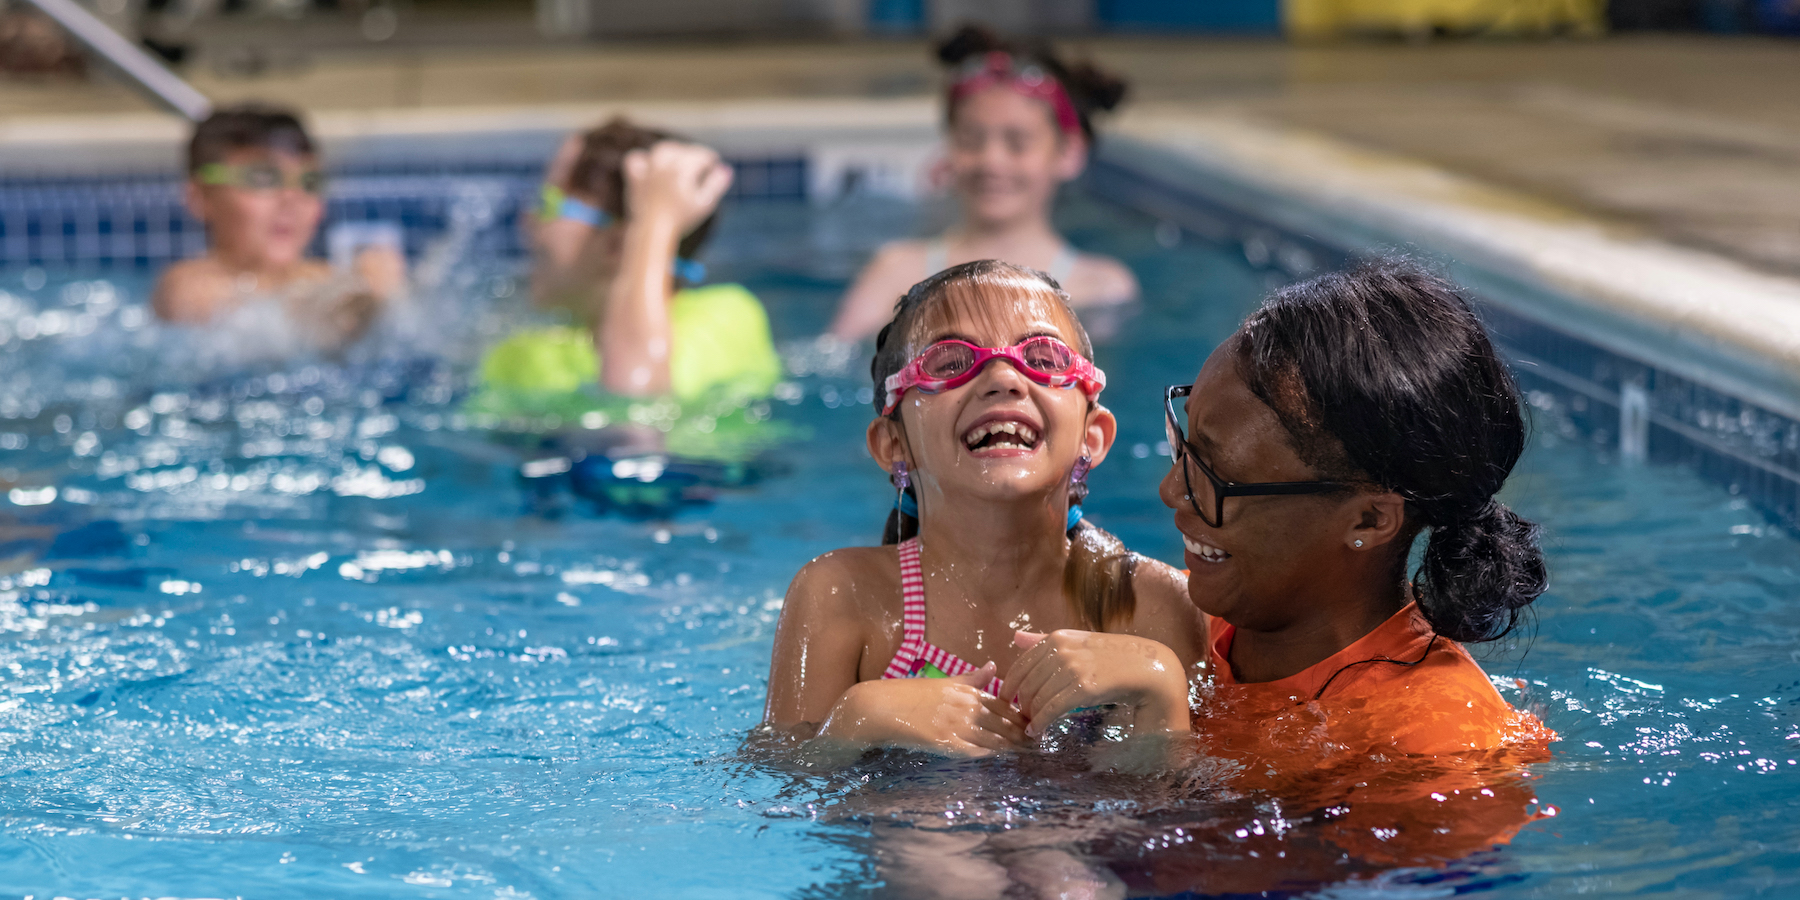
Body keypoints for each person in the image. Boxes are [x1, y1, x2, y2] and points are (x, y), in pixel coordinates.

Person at [1003, 260, 1555, 757]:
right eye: (1185, 444)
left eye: (1217, 477)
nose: (1171, 490)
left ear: (1369, 519)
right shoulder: (1197, 623)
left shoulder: (1439, 749)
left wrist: (1161, 730)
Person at [762, 260, 1204, 760]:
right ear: (892, 444)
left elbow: (1186, 817)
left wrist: (1161, 689)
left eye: (1042, 356)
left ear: (1093, 436)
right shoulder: (844, 597)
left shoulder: (1154, 605)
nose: (1003, 378)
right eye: (950, 362)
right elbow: (778, 788)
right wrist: (857, 720)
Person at [826, 26, 1137, 343]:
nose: (991, 161)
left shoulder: (1100, 287)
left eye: (1017, 143)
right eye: (970, 141)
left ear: (1069, 152)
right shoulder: (895, 272)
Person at [477, 117, 781, 412]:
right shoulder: (518, 356)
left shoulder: (727, 315)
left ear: (616, 244)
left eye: (548, 204)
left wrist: (655, 220)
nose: (528, 222)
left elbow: (638, 407)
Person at [152, 104, 406, 354]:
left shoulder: (327, 277)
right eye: (263, 178)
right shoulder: (188, 286)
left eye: (309, 182)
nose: (291, 197)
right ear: (201, 197)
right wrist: (363, 303)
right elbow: (256, 327)